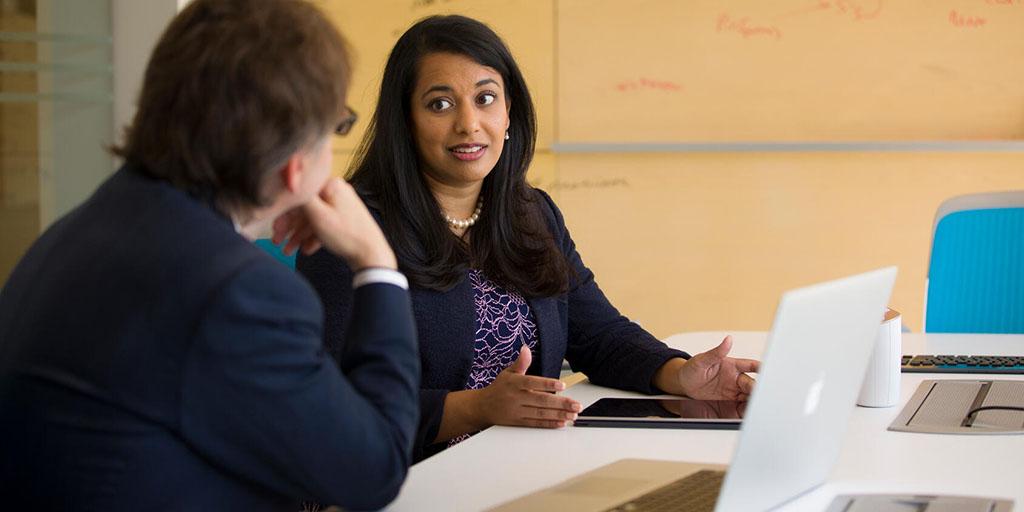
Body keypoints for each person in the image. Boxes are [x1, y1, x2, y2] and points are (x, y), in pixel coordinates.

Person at [0, 1, 419, 510]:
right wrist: (376, 262)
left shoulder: (82, 227)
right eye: (337, 127)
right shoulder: (237, 294)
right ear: (294, 167)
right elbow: (374, 470)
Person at [298, 14, 759, 462]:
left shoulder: (530, 213)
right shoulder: (351, 228)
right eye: (440, 104)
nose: (469, 124)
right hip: (396, 479)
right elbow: (335, 406)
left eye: (485, 98)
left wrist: (681, 375)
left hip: (514, 461)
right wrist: (476, 408)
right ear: (405, 120)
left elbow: (598, 334)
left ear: (509, 112)